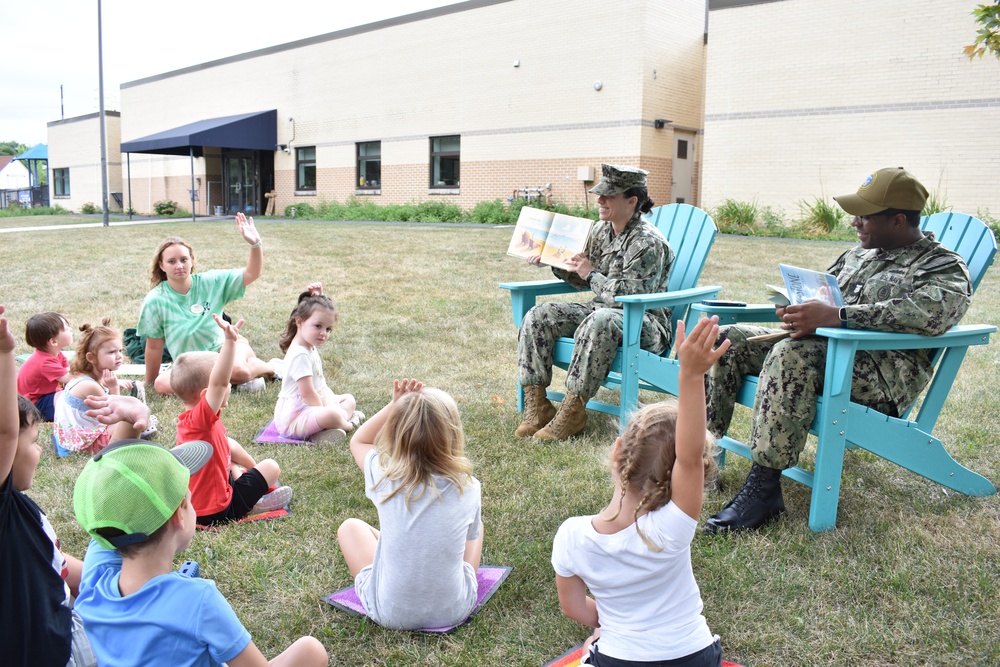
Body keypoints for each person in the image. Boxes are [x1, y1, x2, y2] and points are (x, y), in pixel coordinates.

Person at [703, 167, 973, 533]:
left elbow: (929, 315)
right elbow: (820, 300)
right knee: (727, 339)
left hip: (879, 375)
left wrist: (839, 317)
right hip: (824, 353)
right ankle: (702, 461)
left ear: (897, 220)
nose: (854, 222)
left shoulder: (942, 267)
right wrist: (797, 310)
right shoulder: (857, 255)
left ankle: (763, 490)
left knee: (790, 356)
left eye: (864, 215)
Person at [551, 316, 729, 667]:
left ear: (618, 450)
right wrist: (691, 375)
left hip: (621, 659)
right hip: (696, 658)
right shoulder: (674, 528)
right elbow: (688, 457)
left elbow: (572, 607)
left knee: (590, 650)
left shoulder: (571, 536)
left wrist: (615, 626)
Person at [72, 438, 329, 667]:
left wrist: (147, 470)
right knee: (311, 651)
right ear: (178, 516)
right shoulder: (198, 600)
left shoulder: (94, 577)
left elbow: (111, 503)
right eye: (189, 499)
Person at [516, 164, 675, 441]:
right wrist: (553, 261)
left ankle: (573, 410)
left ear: (632, 201)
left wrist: (591, 273)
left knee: (600, 319)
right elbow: (584, 278)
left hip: (644, 323)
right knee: (540, 314)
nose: (600, 200)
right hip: (601, 314)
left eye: (608, 195)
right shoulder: (602, 231)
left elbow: (627, 297)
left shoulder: (648, 243)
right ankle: (538, 406)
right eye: (600, 194)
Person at [337, 379, 484, 630]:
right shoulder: (469, 487)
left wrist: (393, 404)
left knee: (350, 528)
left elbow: (359, 441)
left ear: (395, 433)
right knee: (477, 528)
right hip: (454, 610)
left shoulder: (384, 476)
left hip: (390, 613)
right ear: (453, 435)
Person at [0, 305, 98, 667]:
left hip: (61, 621)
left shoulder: (18, 510)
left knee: (106, 560)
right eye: (34, 440)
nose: (40, 449)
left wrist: (116, 583)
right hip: (57, 646)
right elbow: (7, 430)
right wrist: (5, 352)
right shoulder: (3, 507)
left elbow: (53, 561)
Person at [137, 213, 281, 395]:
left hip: (225, 349)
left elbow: (252, 273)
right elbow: (154, 345)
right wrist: (150, 382)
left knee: (239, 370)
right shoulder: (155, 300)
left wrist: (255, 244)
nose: (179, 266)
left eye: (183, 259)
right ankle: (234, 384)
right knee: (162, 385)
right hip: (190, 363)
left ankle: (269, 367)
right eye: (171, 262)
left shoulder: (211, 282)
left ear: (192, 261)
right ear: (162, 266)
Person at [172, 313, 291, 525]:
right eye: (229, 383)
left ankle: (251, 485)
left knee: (228, 446)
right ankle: (255, 500)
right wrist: (229, 342)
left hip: (201, 504)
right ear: (206, 394)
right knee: (271, 467)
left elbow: (227, 445)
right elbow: (218, 383)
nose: (229, 386)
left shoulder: (189, 423)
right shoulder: (202, 419)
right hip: (220, 511)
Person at [273, 283, 364, 443]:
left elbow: (315, 314)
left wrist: (320, 298)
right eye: (318, 326)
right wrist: (327, 412)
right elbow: (308, 394)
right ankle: (349, 424)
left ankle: (324, 431)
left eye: (328, 329)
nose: (324, 333)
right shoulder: (300, 354)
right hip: (295, 418)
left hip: (312, 406)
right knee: (333, 414)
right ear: (299, 322)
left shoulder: (308, 344)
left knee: (349, 400)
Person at [53, 319, 152, 454]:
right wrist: (114, 387)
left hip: (72, 436)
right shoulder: (90, 386)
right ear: (91, 357)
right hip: (85, 444)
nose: (119, 356)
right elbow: (114, 414)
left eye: (120, 351)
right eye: (111, 352)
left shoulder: (83, 376)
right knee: (134, 418)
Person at [17, 311, 72, 421]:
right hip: (34, 406)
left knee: (74, 390)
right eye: (66, 329)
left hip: (46, 395)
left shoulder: (57, 354)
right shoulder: (44, 362)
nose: (71, 330)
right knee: (70, 397)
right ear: (53, 341)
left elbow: (68, 373)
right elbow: (69, 377)